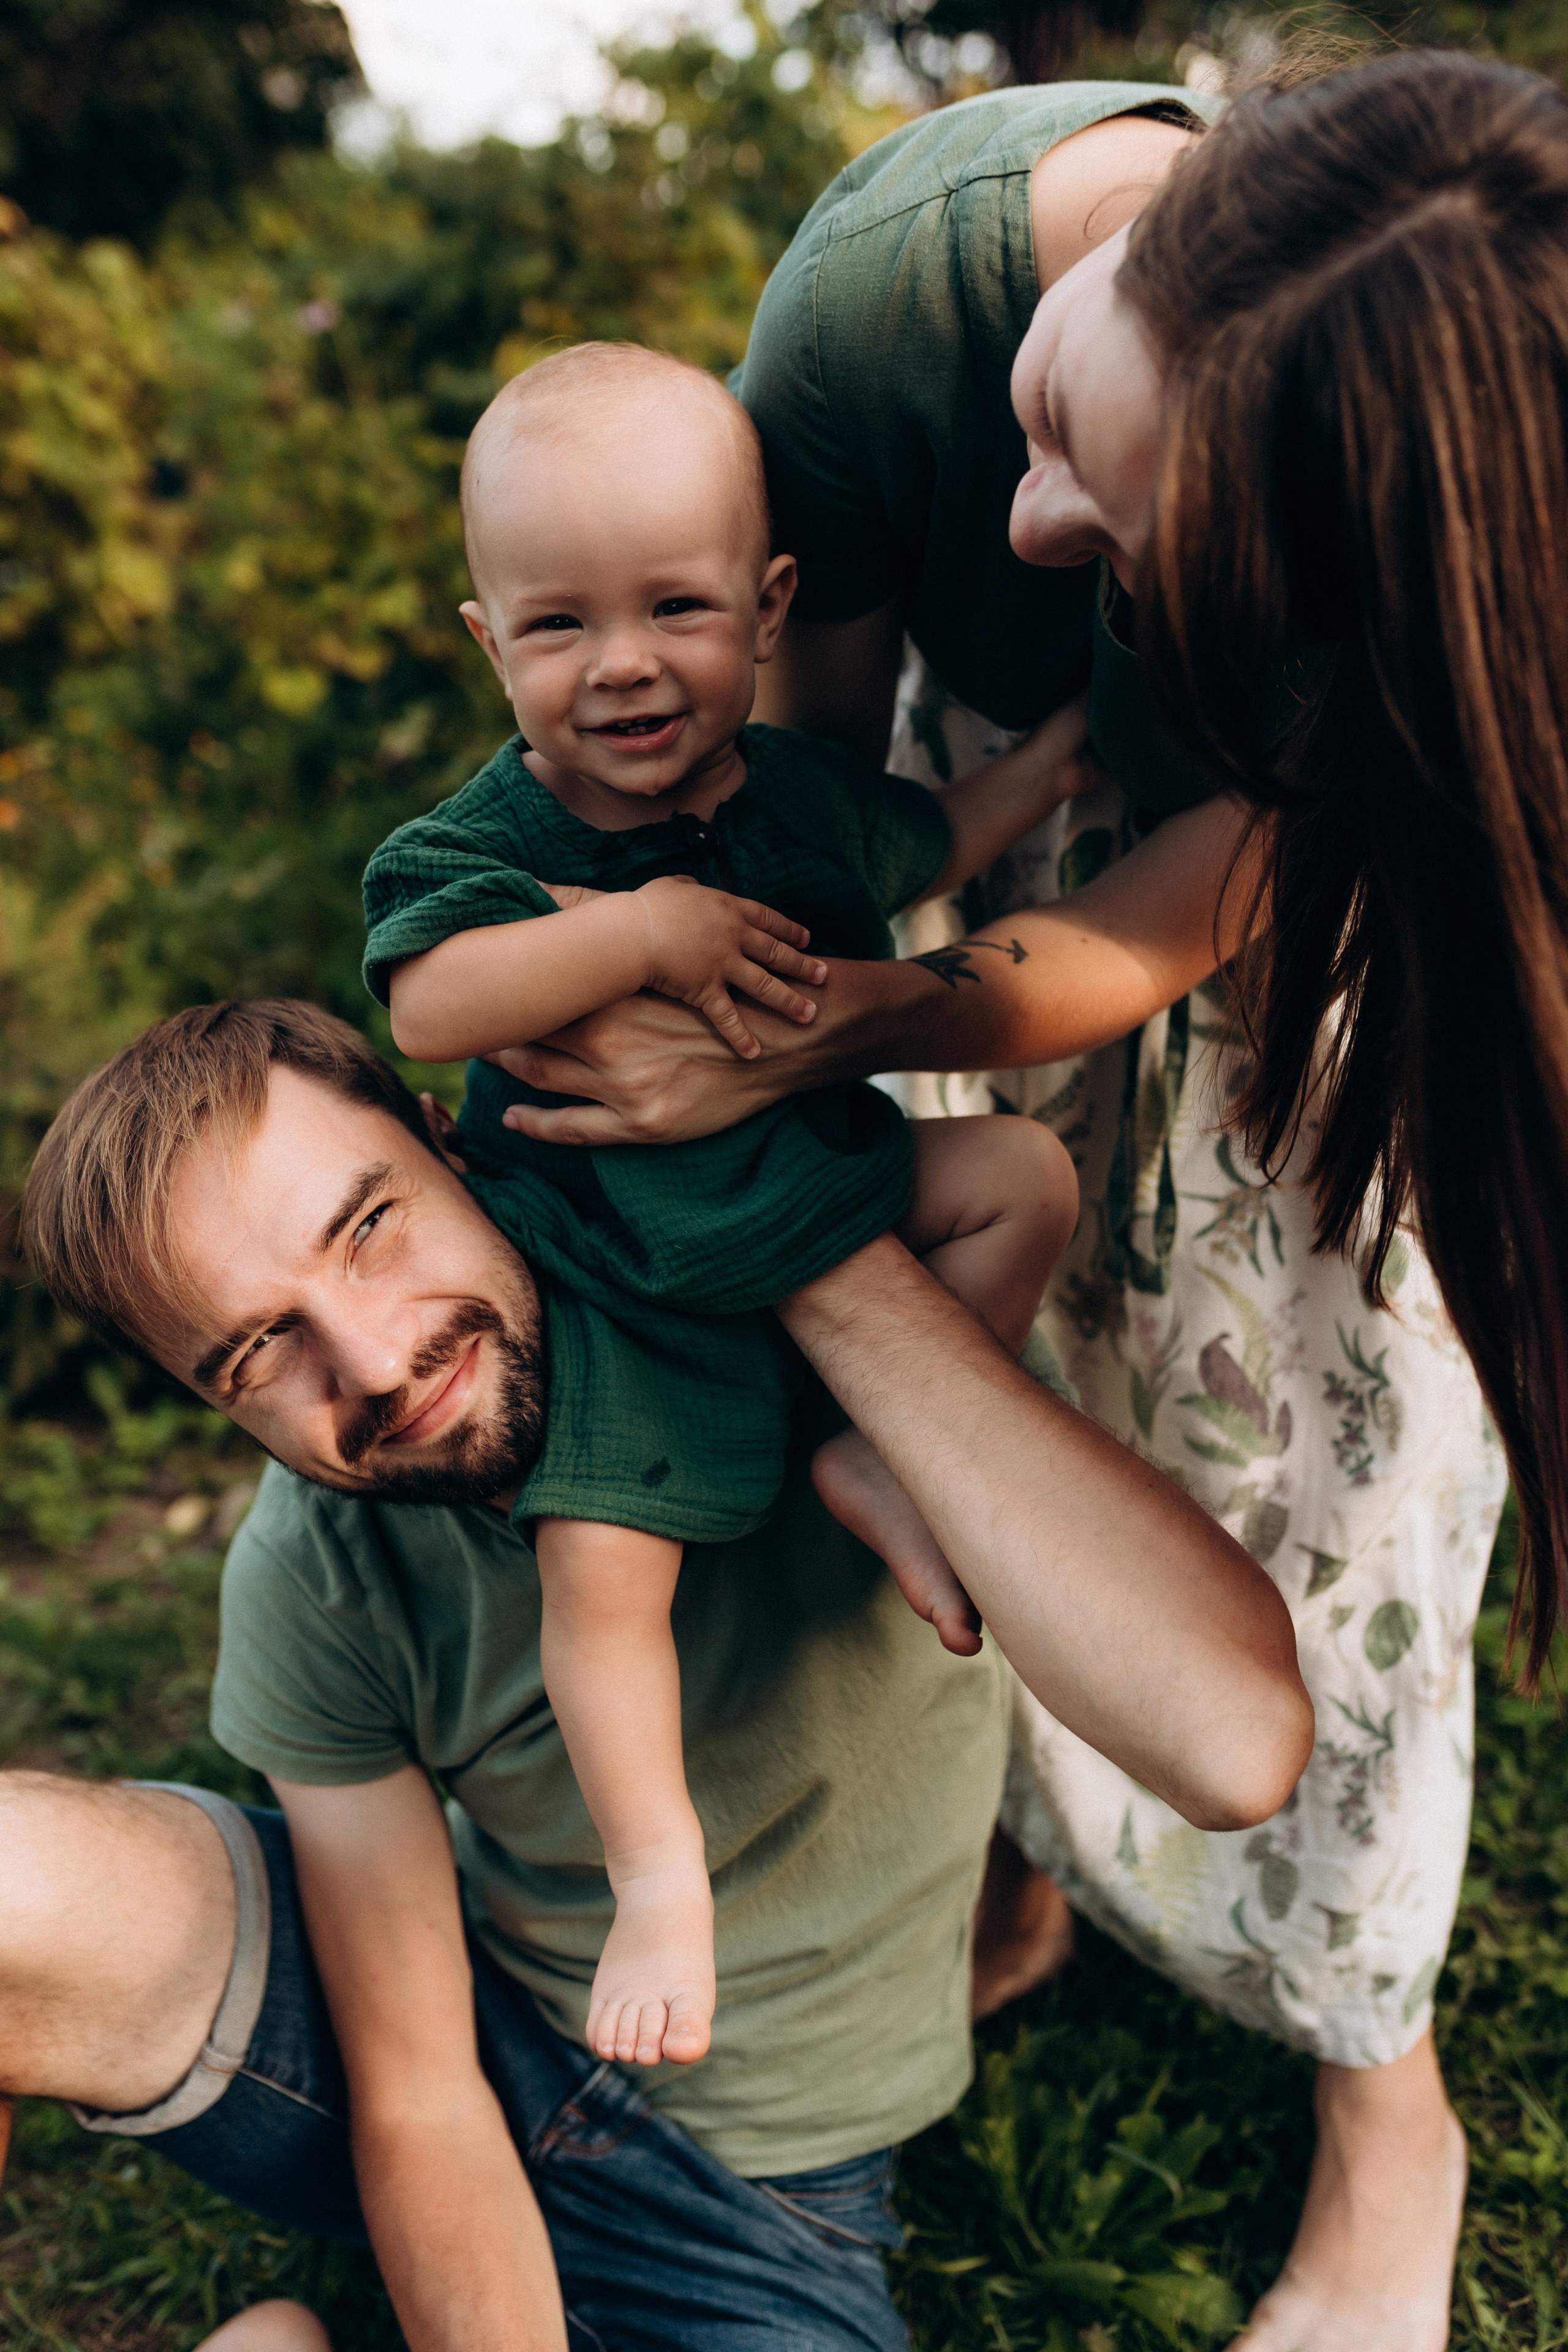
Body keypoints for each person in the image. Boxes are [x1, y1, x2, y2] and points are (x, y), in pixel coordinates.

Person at [468, 68, 1515, 2351]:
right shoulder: (879, 307)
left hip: (1281, 895)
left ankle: (1383, 2103)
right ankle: (1024, 1860)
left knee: (1330, 1475)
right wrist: (765, 1006)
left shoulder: (1438, 538)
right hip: (959, 882)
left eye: (1124, 527)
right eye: (1046, 418)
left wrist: (795, 1048)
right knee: (1012, 1419)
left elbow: (1193, 894)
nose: (1033, 526)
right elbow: (815, 805)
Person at [7, 998, 1309, 2352]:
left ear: (453, 1143)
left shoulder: (864, 1342)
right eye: (260, 1350)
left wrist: (756, 1228)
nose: (379, 1360)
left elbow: (1229, 1746)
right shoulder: (316, 1570)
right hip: (465, 2025)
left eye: (367, 1225)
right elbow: (419, 2090)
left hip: (762, 2191)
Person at [364, 338, 1095, 2069]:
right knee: (602, 1582)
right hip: (616, 1283)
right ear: (490, 640)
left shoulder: (806, 802)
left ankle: (879, 1452)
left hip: (822, 1215)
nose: (622, 668)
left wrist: (1058, 764)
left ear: (769, 609)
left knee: (1021, 1179)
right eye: (557, 626)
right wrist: (639, 932)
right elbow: (425, 1005)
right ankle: (662, 1873)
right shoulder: (476, 842)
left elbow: (938, 840)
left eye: (675, 609)